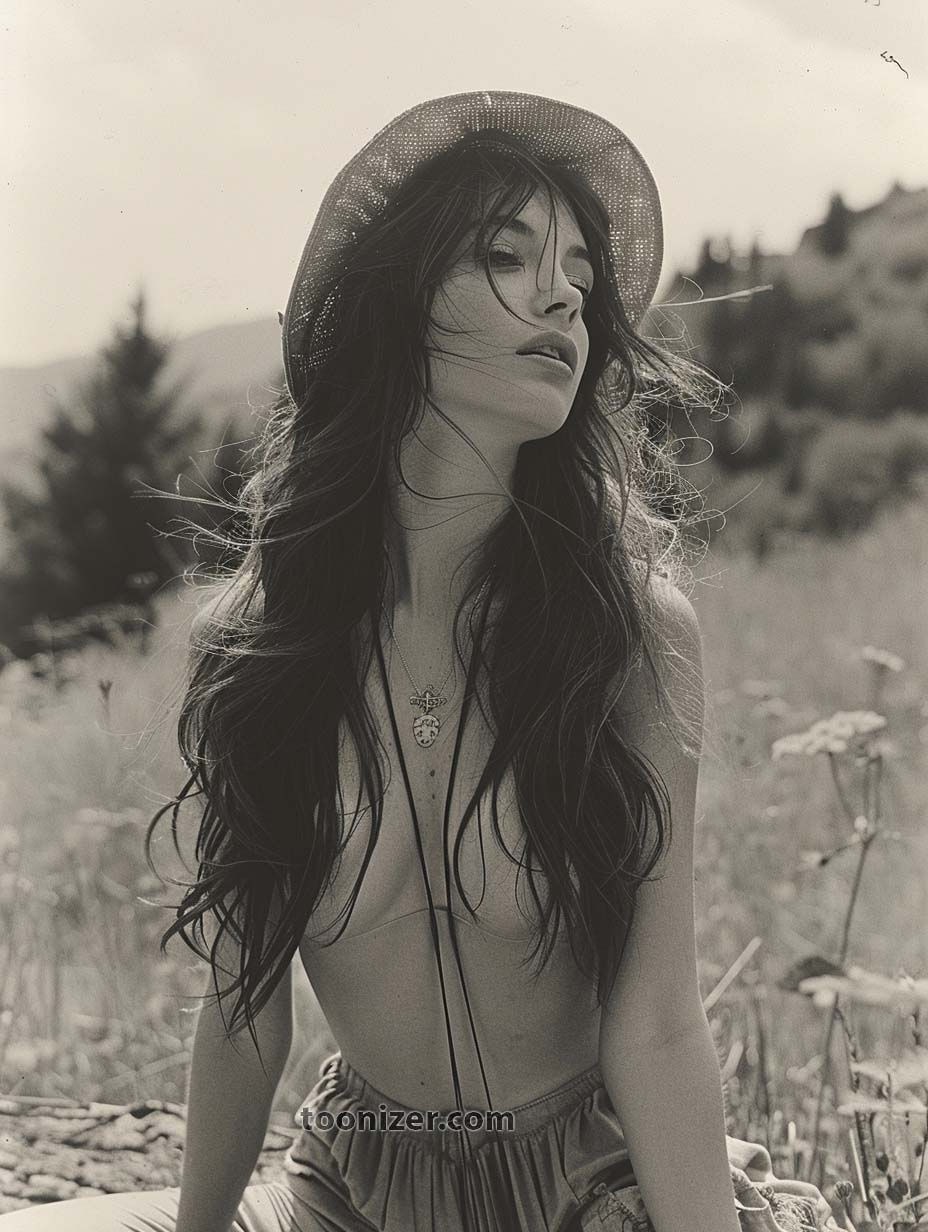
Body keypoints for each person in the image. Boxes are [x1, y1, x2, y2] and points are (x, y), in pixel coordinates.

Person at [3, 91, 847, 1232]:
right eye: (505, 255)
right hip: (351, 1186)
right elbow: (245, 1014)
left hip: (591, 1193)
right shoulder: (255, 647)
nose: (562, 297)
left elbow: (654, 1021)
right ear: (399, 303)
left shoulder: (629, 631)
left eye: (580, 283)